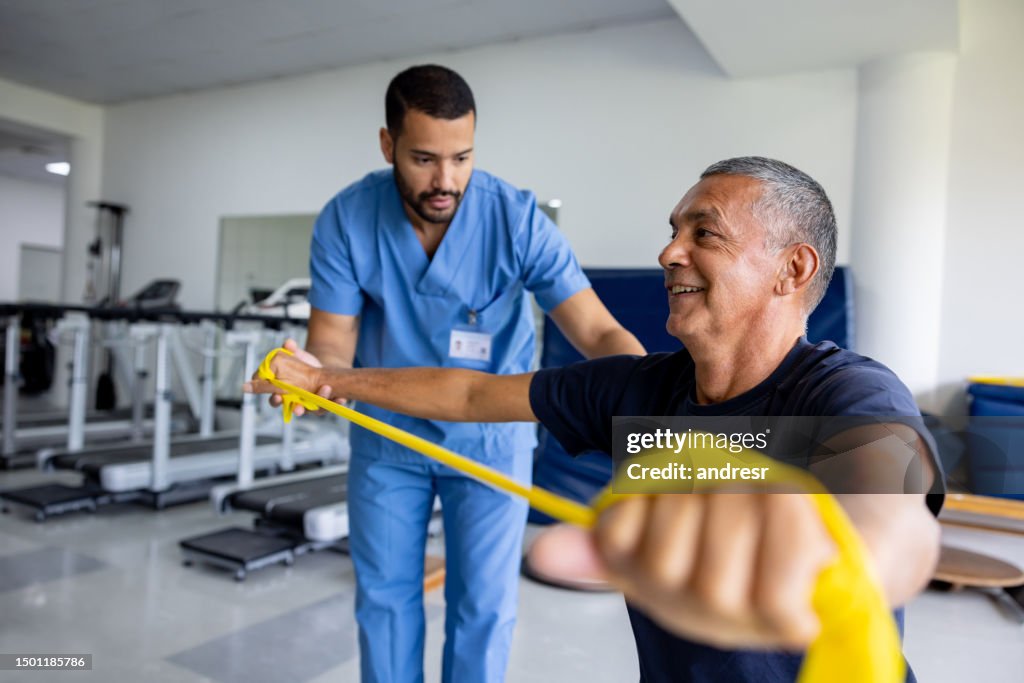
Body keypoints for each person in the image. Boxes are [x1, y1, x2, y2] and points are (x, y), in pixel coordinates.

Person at [249, 156, 943, 682]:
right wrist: (327, 377)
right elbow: (467, 396)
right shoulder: (637, 393)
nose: (670, 251)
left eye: (706, 232)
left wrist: (815, 543)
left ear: (793, 269)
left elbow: (890, 518)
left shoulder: (849, 392)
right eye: (673, 230)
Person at [292, 64, 644, 683]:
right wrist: (312, 375)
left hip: (490, 438)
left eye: (462, 158)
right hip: (387, 440)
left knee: (482, 608)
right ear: (387, 145)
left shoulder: (516, 219)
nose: (445, 180)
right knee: (383, 600)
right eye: (424, 158)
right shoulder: (348, 219)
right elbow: (331, 342)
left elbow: (595, 331)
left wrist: (654, 399)